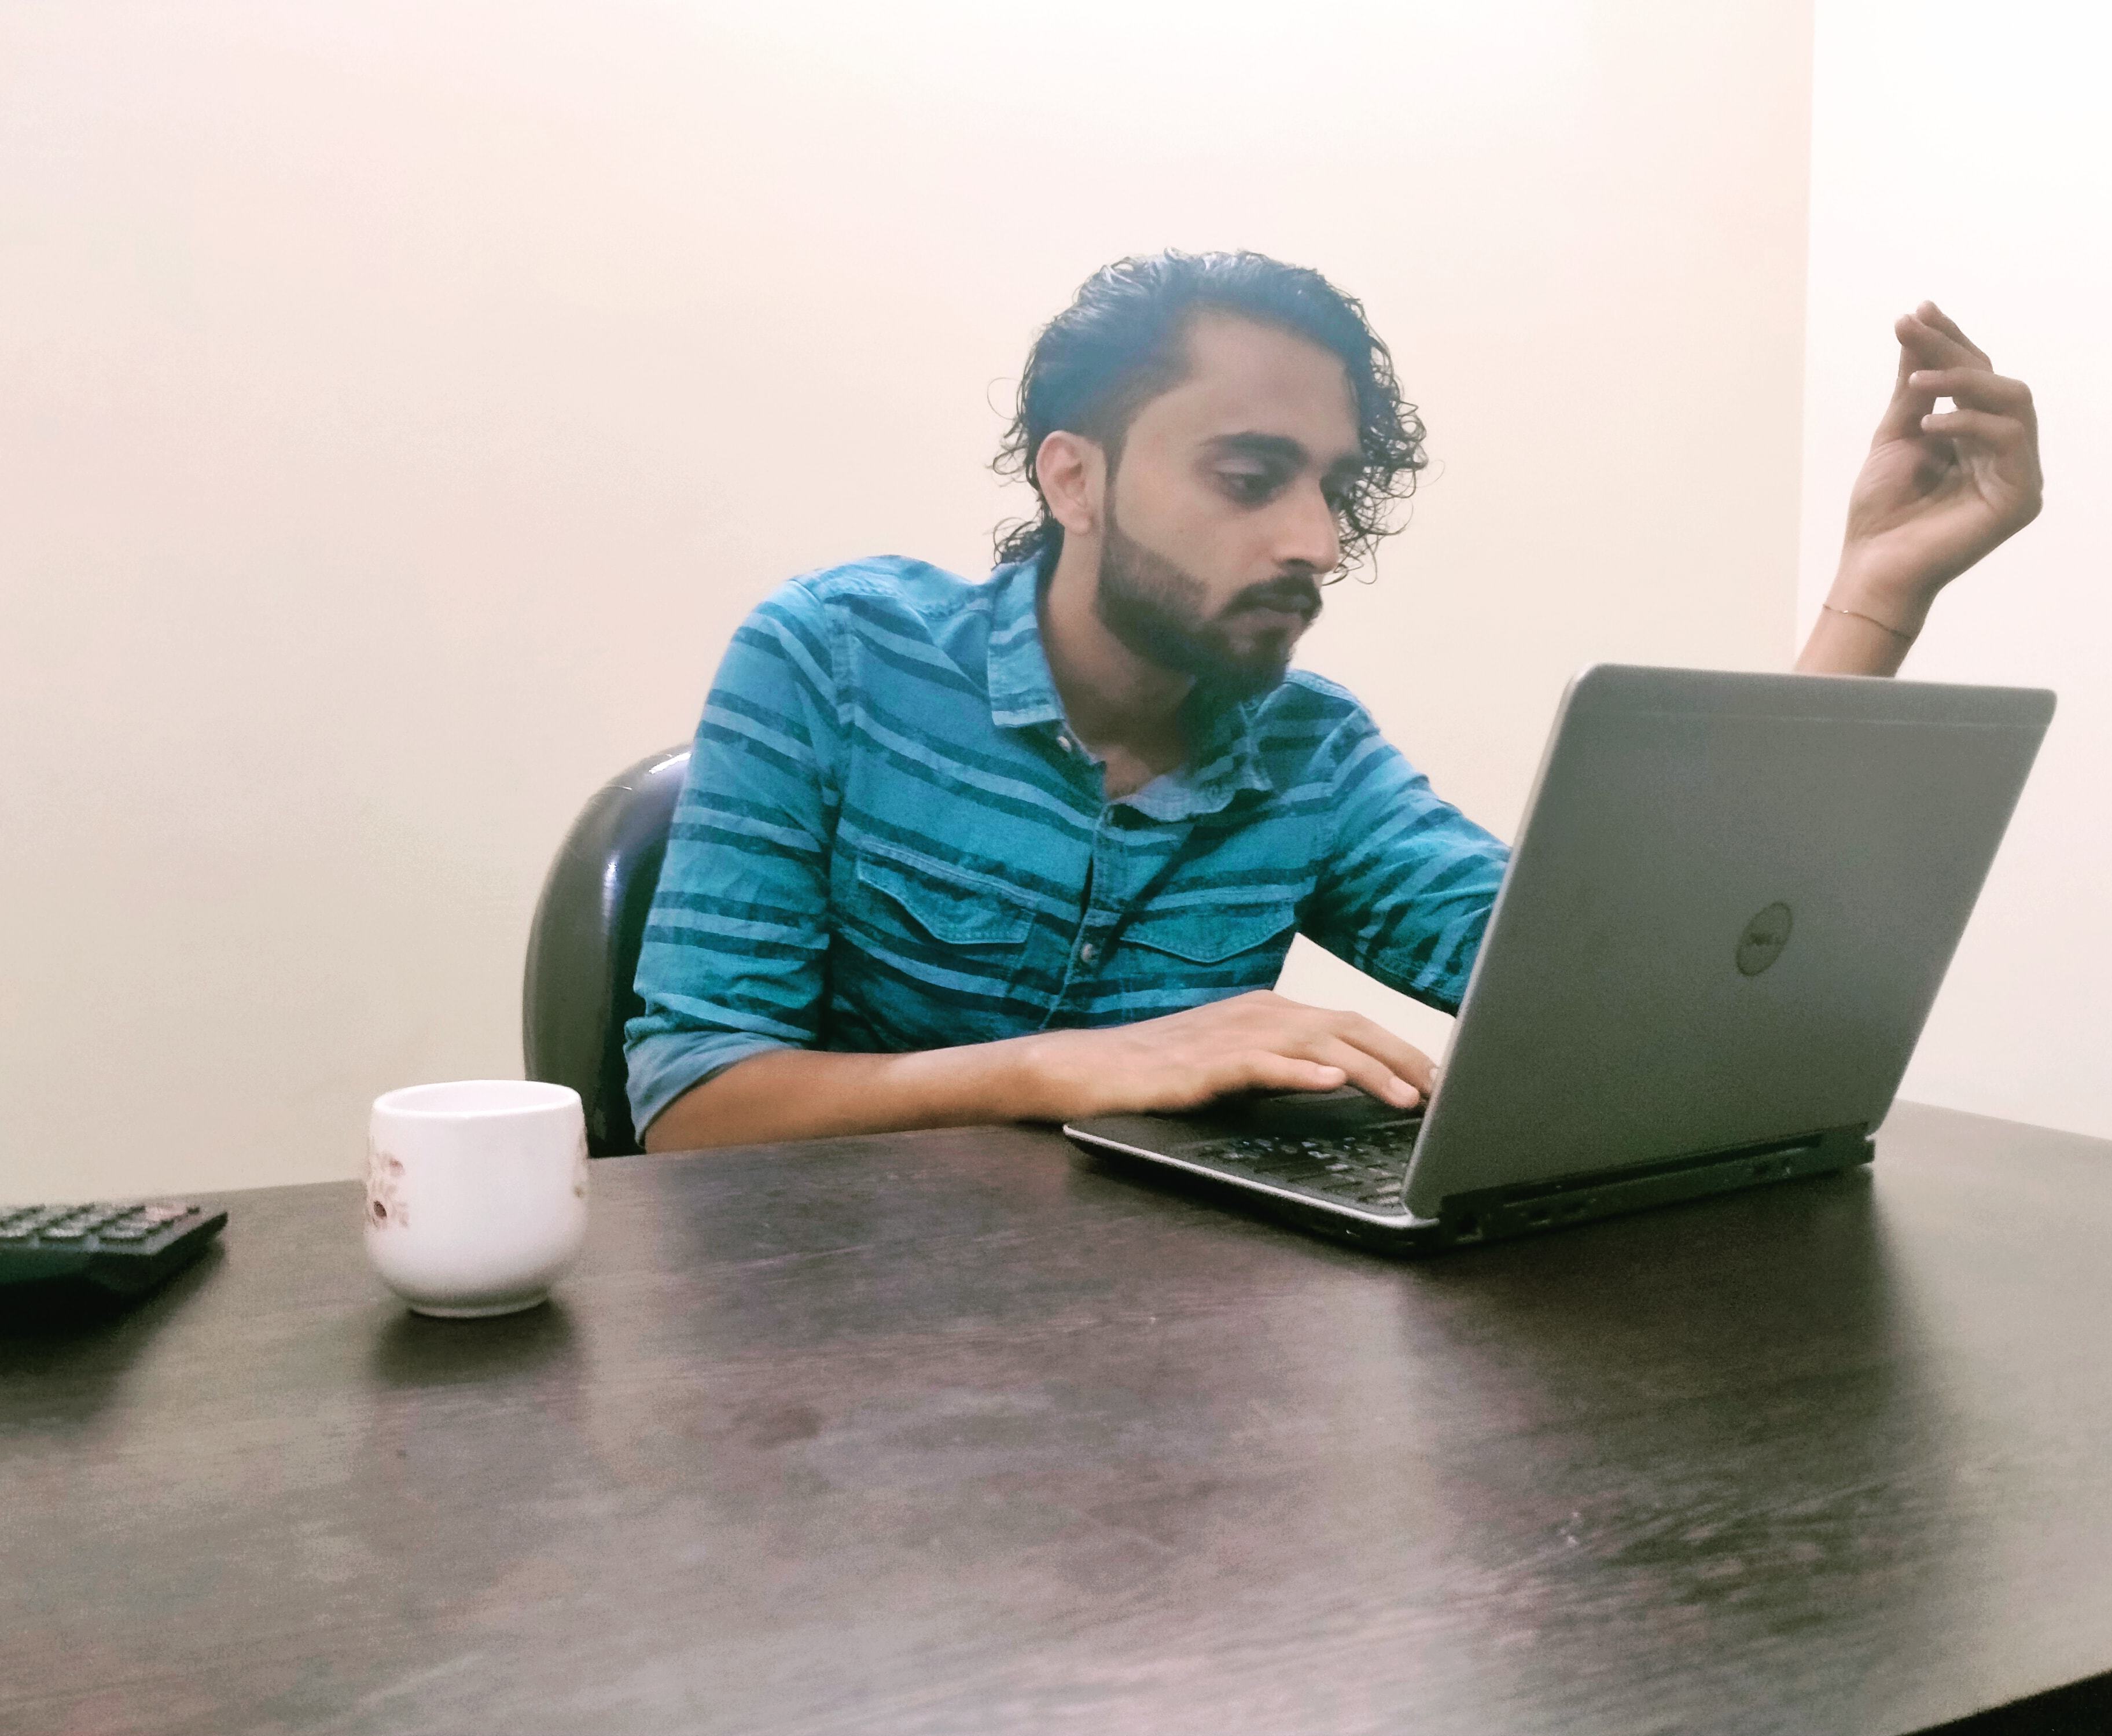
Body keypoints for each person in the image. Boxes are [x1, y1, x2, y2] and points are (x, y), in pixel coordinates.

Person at [626, 251, 2042, 1153]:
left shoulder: (1312, 757)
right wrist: (1087, 1065)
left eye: (1334, 490)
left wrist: (1876, 594)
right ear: (1074, 478)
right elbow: (693, 1105)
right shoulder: (835, 657)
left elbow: (1637, 987)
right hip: (836, 1357)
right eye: (1252, 479)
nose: (1316, 541)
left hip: (1159, 1363)